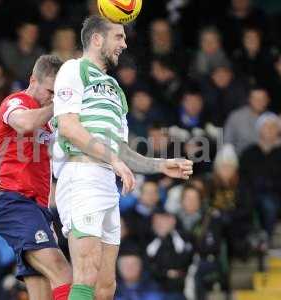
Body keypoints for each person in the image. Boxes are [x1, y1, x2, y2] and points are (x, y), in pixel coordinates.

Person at [52, 15, 193, 300]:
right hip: (82, 176)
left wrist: (159, 165)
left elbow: (122, 150)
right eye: (119, 37)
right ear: (96, 39)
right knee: (86, 274)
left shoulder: (116, 90)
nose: (124, 44)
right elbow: (68, 127)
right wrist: (113, 160)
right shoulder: (73, 69)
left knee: (106, 287)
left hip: (106, 183)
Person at [0, 55, 72, 300]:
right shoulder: (17, 101)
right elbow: (24, 123)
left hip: (37, 209)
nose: (52, 97)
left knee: (43, 292)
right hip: (16, 203)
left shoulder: (49, 122)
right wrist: (59, 105)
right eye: (50, 91)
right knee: (63, 273)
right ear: (33, 80)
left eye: (58, 93)